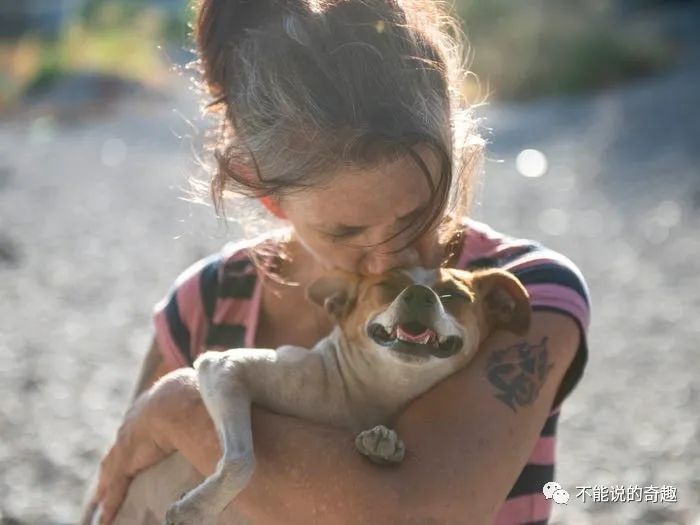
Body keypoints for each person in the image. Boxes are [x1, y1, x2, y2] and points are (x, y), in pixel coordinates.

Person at [82, 0, 592, 523]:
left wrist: (185, 411)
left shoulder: (528, 290)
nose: (389, 260)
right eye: (345, 232)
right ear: (269, 197)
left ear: (454, 152)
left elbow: (425, 511)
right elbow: (118, 501)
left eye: (419, 212)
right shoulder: (207, 304)